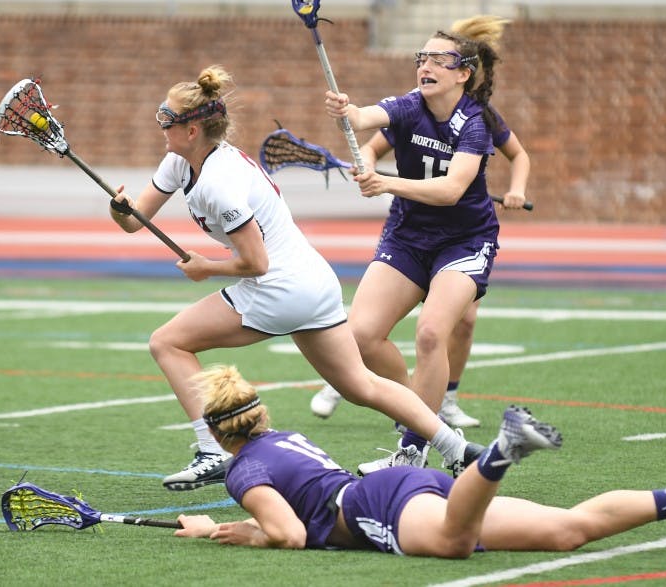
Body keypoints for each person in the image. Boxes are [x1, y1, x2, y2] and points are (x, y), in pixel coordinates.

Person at [108, 65, 482, 491]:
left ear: (193, 129)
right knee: (362, 385)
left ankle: (211, 450)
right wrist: (121, 208)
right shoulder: (180, 163)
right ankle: (457, 448)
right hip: (313, 281)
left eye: (166, 119)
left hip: (278, 286)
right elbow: (136, 220)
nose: (161, 127)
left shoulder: (218, 183)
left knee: (168, 342)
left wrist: (205, 267)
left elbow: (256, 263)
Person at [174, 364, 666, 555]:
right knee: (565, 531)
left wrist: (217, 531)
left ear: (221, 435)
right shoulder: (281, 438)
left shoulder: (243, 468)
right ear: (259, 415)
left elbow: (290, 534)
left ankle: (503, 449)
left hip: (376, 504)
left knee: (453, 544)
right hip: (405, 485)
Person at [319, 16, 520, 476]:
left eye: (438, 59)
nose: (425, 65)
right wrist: (345, 109)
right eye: (421, 58)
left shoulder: (474, 123)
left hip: (464, 241)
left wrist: (386, 183)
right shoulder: (411, 106)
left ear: (463, 72)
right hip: (407, 237)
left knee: (432, 333)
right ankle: (420, 412)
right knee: (360, 336)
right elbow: (366, 118)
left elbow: (451, 191)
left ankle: (412, 449)